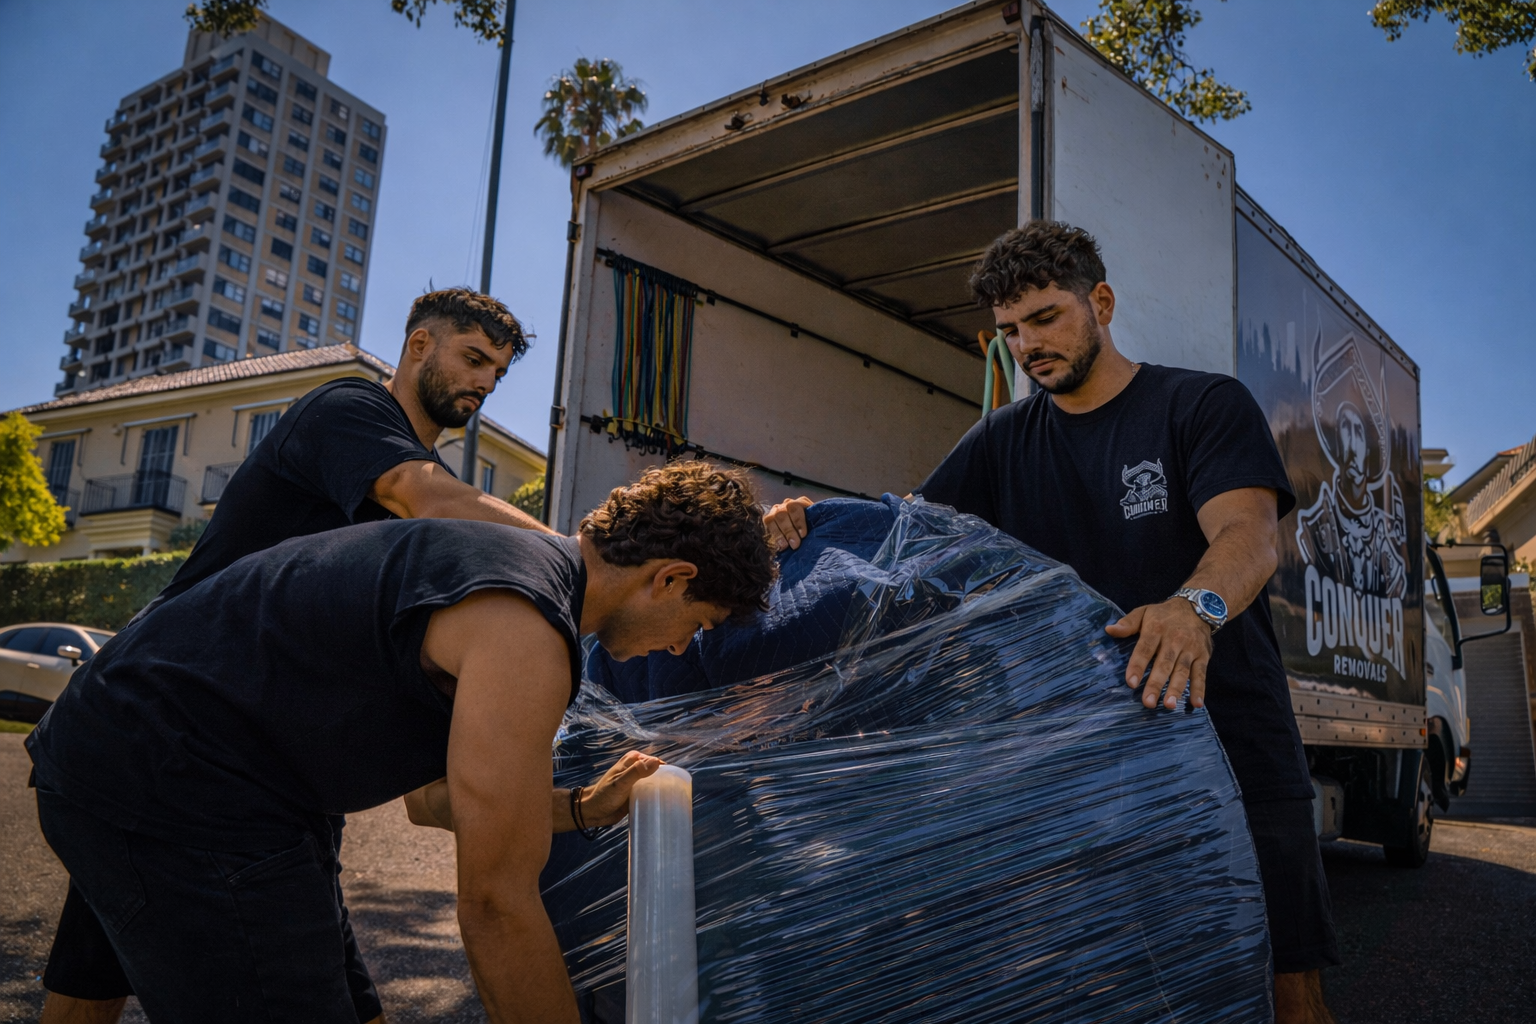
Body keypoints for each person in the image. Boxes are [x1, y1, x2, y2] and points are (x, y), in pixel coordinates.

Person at [764, 222, 1339, 1024]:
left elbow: (1248, 535)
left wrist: (1192, 609)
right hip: (1088, 766)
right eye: (1009, 333)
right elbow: (904, 540)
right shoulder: (1000, 441)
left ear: (1099, 302)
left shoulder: (1199, 405)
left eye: (1044, 318)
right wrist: (812, 520)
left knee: (1283, 984)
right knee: (1128, 985)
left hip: (1231, 738)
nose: (1027, 346)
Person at [28, 461, 776, 1024]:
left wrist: (580, 807)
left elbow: (431, 802)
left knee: (99, 996)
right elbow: (495, 904)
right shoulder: (526, 633)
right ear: (672, 578)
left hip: (137, 750)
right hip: (183, 784)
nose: (682, 650)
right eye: (699, 626)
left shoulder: (498, 569)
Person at [37, 287, 552, 1024]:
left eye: (497, 374)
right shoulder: (351, 413)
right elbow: (429, 500)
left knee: (92, 974)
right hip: (176, 728)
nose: (483, 382)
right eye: (472, 358)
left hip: (236, 753)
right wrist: (572, 560)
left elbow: (431, 800)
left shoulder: (421, 526)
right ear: (417, 347)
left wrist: (581, 807)